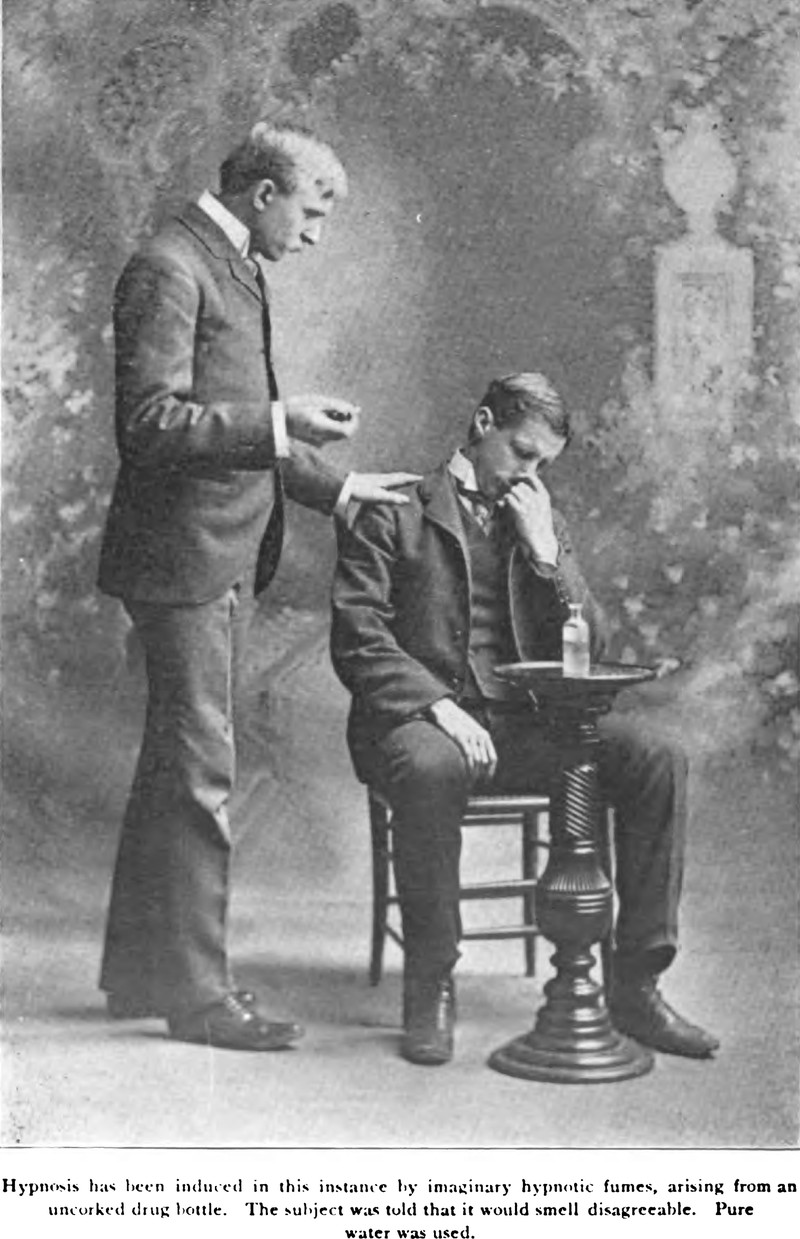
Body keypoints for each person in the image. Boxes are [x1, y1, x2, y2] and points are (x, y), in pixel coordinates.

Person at [98, 121, 419, 1050]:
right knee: (201, 770)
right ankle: (198, 996)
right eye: (311, 212)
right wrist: (280, 420)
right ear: (264, 192)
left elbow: (237, 431)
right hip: (182, 562)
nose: (315, 234)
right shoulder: (171, 265)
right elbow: (151, 424)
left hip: (215, 553)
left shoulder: (227, 261)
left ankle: (140, 973)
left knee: (176, 763)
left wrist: (343, 489)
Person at [331, 372, 719, 1067]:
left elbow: (589, 645)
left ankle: (635, 984)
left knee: (657, 756)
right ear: (483, 425)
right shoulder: (394, 509)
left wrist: (547, 556)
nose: (530, 473)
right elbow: (359, 637)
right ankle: (431, 984)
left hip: (525, 729)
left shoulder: (538, 515)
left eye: (543, 462)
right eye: (522, 452)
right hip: (421, 723)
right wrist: (439, 708)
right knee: (430, 766)